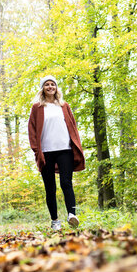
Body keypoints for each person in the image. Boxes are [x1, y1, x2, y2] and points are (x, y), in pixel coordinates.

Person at [28, 75, 85, 231]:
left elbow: (73, 126)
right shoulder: (37, 107)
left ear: (56, 87)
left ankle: (72, 215)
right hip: (46, 151)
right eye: (47, 84)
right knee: (50, 188)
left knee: (66, 183)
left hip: (65, 150)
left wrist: (76, 145)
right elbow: (32, 130)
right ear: (43, 88)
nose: (50, 86)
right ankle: (55, 221)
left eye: (53, 84)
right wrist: (36, 150)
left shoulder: (64, 106)